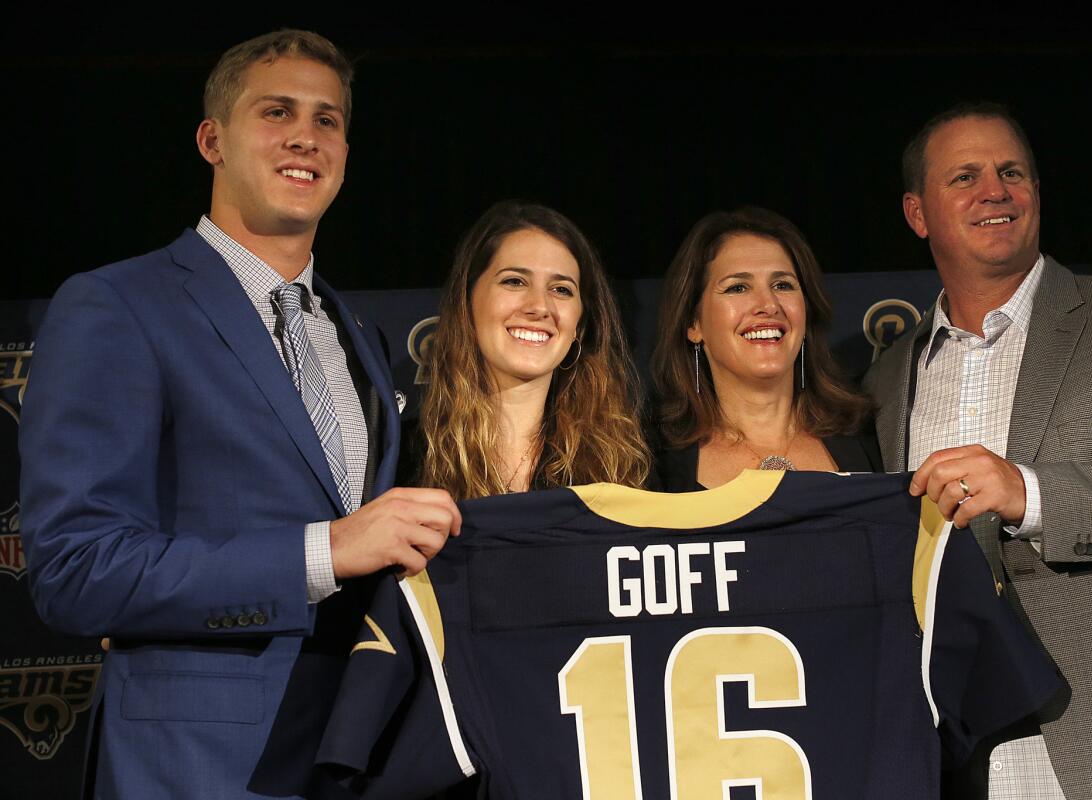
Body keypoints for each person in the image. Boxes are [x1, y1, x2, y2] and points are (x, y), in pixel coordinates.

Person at [18, 30, 460, 800]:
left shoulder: (356, 332)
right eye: (277, 111)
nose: (305, 136)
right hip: (199, 766)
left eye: (327, 120)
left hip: (357, 753)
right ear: (211, 139)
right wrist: (322, 552)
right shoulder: (119, 306)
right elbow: (75, 571)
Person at [865, 102, 1092, 799]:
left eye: (1012, 171)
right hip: (957, 756)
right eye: (965, 176)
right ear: (917, 213)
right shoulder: (884, 379)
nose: (996, 189)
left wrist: (1031, 493)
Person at [409, 199, 651, 496]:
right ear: (467, 303)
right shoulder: (405, 459)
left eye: (561, 289)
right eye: (514, 281)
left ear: (579, 324)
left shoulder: (623, 464)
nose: (539, 307)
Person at [651, 206, 880, 491]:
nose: (769, 305)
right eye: (738, 288)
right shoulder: (650, 463)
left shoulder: (876, 439)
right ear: (693, 323)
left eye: (783, 285)